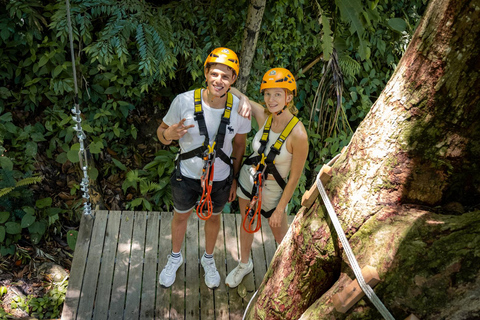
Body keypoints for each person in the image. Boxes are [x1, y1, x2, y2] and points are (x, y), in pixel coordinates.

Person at [156, 47, 251, 289]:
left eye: (226, 76)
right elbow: (161, 134)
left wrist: (233, 179)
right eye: (215, 74)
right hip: (187, 174)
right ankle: (175, 257)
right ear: (207, 73)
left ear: (233, 80)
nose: (219, 81)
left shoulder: (240, 108)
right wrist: (169, 134)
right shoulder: (184, 101)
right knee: (181, 216)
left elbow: (239, 145)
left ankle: (208, 258)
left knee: (214, 218)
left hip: (220, 178)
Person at [225, 68, 309, 288]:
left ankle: (290, 275)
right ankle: (244, 264)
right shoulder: (264, 116)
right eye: (267, 94)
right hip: (247, 184)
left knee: (283, 239)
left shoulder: (298, 135)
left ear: (289, 97)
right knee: (246, 224)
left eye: (278, 94)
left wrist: (281, 208)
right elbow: (230, 90)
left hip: (273, 195)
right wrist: (242, 97)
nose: (271, 100)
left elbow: (294, 178)